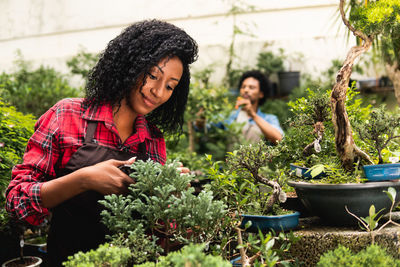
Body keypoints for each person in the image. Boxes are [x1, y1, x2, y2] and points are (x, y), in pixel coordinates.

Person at [5, 19, 198, 266]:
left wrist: (171, 196)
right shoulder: (68, 116)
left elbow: (158, 235)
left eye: (170, 86)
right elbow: (16, 202)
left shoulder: (152, 139)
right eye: (152, 76)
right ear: (131, 64)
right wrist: (83, 179)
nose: (159, 92)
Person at [196, 70, 283, 145]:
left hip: (258, 164)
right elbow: (203, 127)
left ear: (261, 94)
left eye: (251, 87)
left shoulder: (269, 119)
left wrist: (253, 115)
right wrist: (201, 119)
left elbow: (279, 140)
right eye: (243, 87)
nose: (246, 90)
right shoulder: (229, 116)